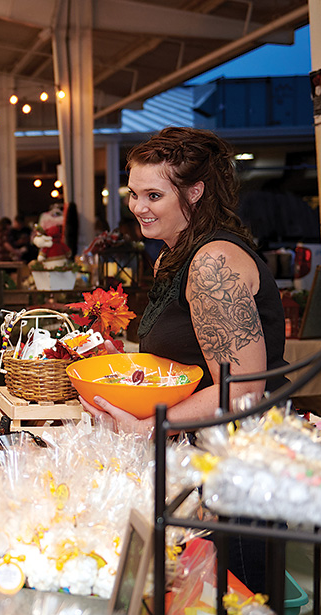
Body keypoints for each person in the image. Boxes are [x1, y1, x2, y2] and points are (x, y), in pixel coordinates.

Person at [80, 127, 287, 433]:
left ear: (195, 192)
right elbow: (186, 363)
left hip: (244, 453)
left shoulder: (212, 264)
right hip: (196, 445)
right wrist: (127, 367)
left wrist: (146, 429)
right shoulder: (170, 257)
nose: (138, 207)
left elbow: (242, 394)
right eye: (133, 194)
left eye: (154, 196)